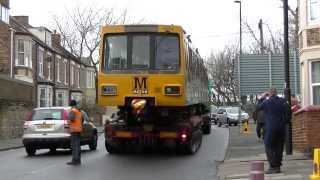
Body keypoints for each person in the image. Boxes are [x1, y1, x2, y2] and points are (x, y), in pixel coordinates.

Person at [256, 88, 289, 174]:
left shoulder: (266, 102)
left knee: (269, 147)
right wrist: (284, 121)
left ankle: (273, 166)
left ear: (269, 94)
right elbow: (288, 114)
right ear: (276, 93)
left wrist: (261, 98)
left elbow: (258, 108)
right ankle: (277, 166)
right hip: (281, 128)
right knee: (279, 147)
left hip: (270, 128)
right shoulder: (283, 101)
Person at [67, 100, 83, 165]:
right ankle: (78, 159)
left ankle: (75, 160)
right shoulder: (79, 111)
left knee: (74, 145)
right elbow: (82, 120)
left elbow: (71, 118)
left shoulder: (73, 110)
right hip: (79, 129)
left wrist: (68, 118)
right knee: (78, 145)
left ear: (71, 104)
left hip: (74, 130)